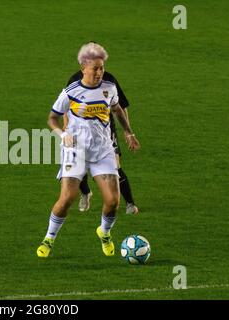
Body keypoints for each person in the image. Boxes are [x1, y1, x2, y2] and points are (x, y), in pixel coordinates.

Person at [37, 42, 140, 258]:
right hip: (76, 149)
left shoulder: (109, 88)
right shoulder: (71, 92)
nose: (100, 72)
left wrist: (128, 132)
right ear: (83, 67)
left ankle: (104, 232)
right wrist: (63, 134)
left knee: (113, 201)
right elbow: (52, 118)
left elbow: (117, 109)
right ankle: (49, 238)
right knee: (67, 198)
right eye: (96, 68)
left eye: (102, 67)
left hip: (103, 150)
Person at [64, 66, 139, 214]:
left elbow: (121, 106)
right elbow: (66, 108)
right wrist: (67, 131)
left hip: (105, 130)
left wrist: (127, 131)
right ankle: (85, 193)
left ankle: (130, 203)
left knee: (115, 166)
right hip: (80, 131)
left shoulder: (109, 80)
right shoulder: (74, 81)